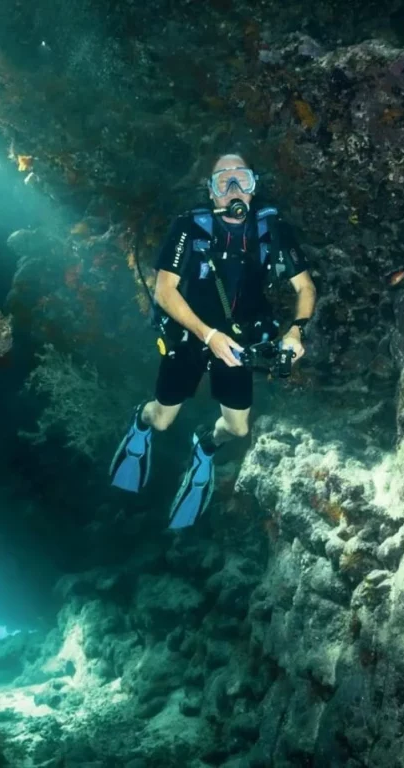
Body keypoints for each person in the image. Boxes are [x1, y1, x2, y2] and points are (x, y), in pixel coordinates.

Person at [109, 153, 316, 528]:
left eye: (243, 180)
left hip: (239, 342)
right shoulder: (190, 227)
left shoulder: (272, 229)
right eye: (225, 182)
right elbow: (164, 291)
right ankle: (140, 424)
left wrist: (295, 329)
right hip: (191, 335)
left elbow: (305, 286)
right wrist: (208, 334)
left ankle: (203, 448)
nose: (235, 189)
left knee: (238, 430)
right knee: (162, 421)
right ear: (211, 191)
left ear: (254, 187)